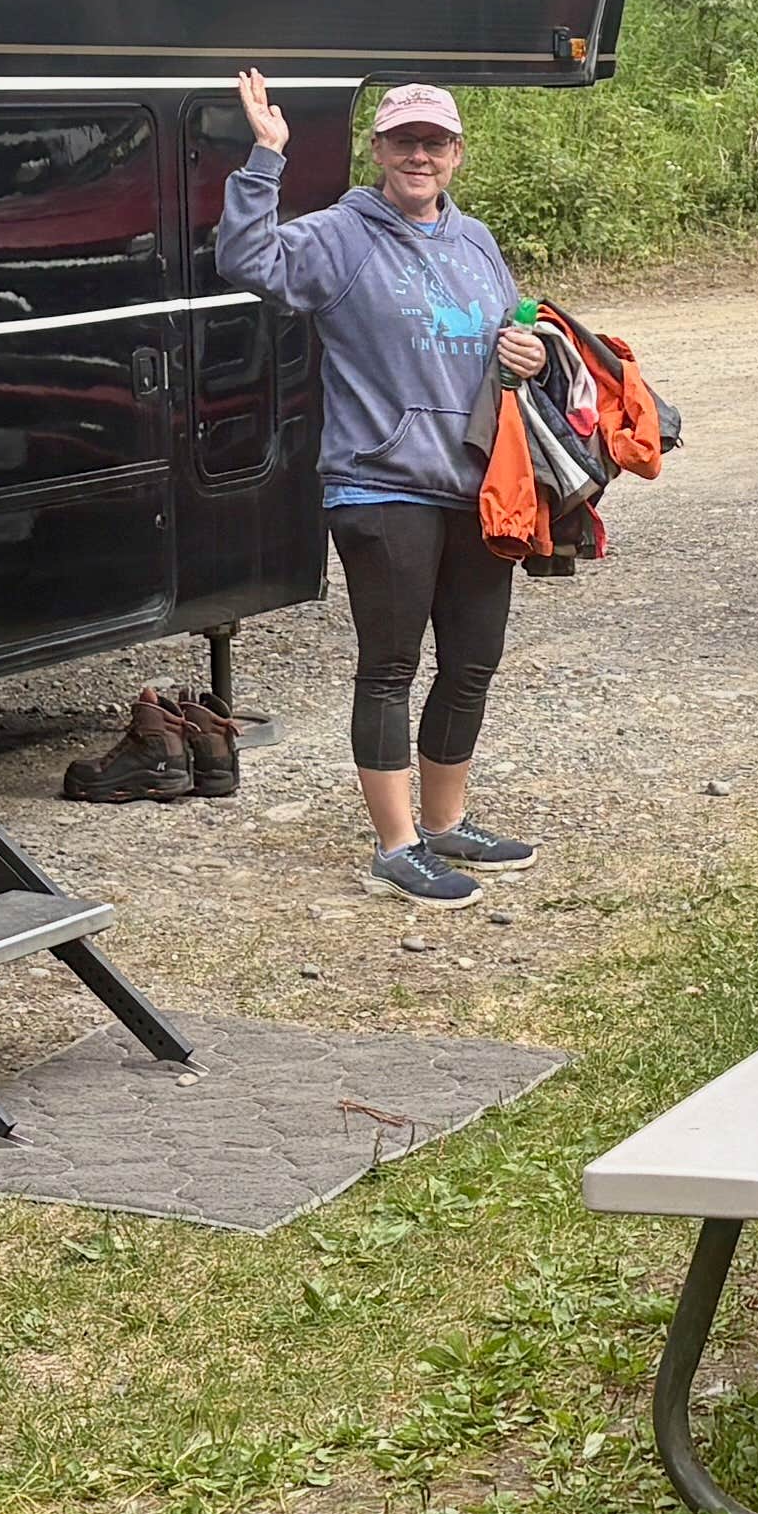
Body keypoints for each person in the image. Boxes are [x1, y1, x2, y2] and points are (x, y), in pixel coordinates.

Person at [217, 74, 551, 904]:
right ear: (378, 150)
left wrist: (529, 352)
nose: (419, 156)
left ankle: (445, 823)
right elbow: (246, 260)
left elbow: (511, 332)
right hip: (381, 484)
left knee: (472, 661)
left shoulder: (476, 241)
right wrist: (266, 158)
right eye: (405, 141)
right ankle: (397, 846)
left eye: (434, 142)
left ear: (457, 154)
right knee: (391, 666)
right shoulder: (343, 235)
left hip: (477, 484)